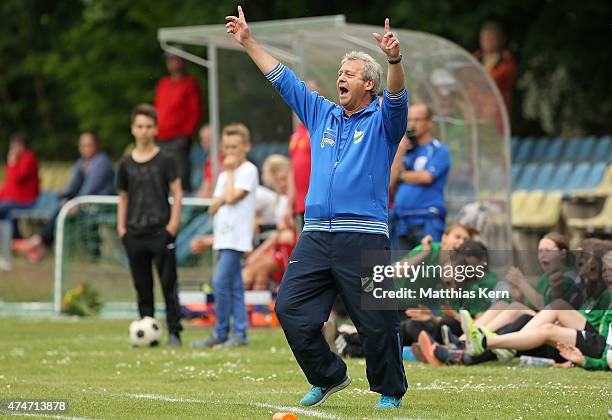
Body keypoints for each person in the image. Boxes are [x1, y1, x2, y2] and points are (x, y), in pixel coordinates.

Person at [225, 6, 408, 409]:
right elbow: (283, 79)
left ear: (369, 84)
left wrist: (393, 58)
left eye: (351, 73)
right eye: (340, 73)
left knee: (378, 322)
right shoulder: (321, 113)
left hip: (364, 235)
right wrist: (249, 42)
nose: (341, 77)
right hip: (315, 234)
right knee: (289, 308)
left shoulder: (383, 121)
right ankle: (328, 376)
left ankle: (390, 391)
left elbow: (396, 95)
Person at [117, 104, 183, 347]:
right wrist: (121, 228)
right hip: (134, 232)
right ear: (133, 129)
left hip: (161, 231)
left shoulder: (166, 160)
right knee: (142, 287)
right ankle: (147, 329)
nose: (144, 131)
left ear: (155, 129)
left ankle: (175, 331)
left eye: (148, 126)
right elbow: (123, 196)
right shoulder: (125, 163)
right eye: (139, 126)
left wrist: (173, 225)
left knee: (168, 284)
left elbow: (177, 193)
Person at [192, 123, 259, 348]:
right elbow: (212, 206)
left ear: (246, 147)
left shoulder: (247, 170)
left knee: (219, 283)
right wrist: (222, 194)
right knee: (234, 287)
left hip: (236, 239)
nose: (230, 152)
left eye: (234, 147)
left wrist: (229, 174)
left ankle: (220, 333)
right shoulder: (223, 174)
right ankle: (240, 334)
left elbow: (229, 198)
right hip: (222, 237)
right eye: (227, 147)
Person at [13, 132, 115, 262]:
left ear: (97, 146)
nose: (85, 148)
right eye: (82, 145)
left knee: (66, 210)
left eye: (89, 145)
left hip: (102, 207)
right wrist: (63, 199)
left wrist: (72, 203)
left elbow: (89, 190)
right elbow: (71, 188)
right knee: (63, 208)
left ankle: (38, 242)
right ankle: (41, 246)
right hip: (84, 206)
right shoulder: (81, 163)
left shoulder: (102, 163)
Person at [392, 103, 451, 250]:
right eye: (409, 119)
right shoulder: (404, 150)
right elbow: (390, 183)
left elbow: (426, 177)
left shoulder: (439, 150)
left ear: (429, 122)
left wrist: (401, 175)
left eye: (417, 120)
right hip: (402, 220)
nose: (412, 124)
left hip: (427, 219)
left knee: (427, 268)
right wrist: (399, 153)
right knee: (402, 270)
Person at [243, 154, 294, 291]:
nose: (282, 183)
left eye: (285, 179)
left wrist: (258, 253)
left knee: (261, 267)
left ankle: (259, 308)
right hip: (279, 246)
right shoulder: (279, 200)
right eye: (280, 179)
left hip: (288, 249)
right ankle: (251, 309)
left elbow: (285, 233)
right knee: (251, 270)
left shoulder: (291, 201)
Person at [154, 52, 202, 192]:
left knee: (180, 176)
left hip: (178, 138)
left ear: (183, 62)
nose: (172, 63)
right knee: (162, 175)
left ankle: (183, 208)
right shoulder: (163, 83)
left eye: (176, 60)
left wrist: (186, 134)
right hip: (161, 136)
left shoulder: (189, 83)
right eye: (170, 60)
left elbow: (195, 111)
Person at [283, 80, 318, 232]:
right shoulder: (297, 132)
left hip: (318, 202)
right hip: (300, 204)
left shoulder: (320, 127)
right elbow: (293, 169)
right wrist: (288, 204)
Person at [473, 22, 516, 117]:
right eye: (484, 38)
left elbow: (494, 81)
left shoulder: (506, 60)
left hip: (496, 114)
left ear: (500, 39)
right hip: (475, 112)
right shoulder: (474, 58)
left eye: (491, 39)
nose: (487, 42)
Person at [0, 133, 40, 233]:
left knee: (4, 209)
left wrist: (12, 163)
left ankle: (12, 237)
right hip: (12, 200)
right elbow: (8, 183)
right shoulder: (19, 159)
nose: (11, 150)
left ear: (21, 146)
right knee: (6, 213)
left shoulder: (28, 158)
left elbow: (17, 178)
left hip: (25, 201)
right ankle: (14, 236)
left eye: (13, 146)